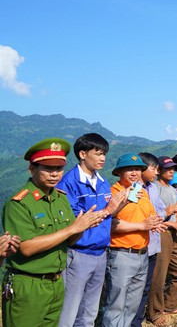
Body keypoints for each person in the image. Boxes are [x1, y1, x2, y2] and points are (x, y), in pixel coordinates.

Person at [2, 138, 104, 327]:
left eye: (59, 168)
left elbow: (71, 241)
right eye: (48, 168)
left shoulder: (60, 198)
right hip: (29, 284)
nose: (54, 174)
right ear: (32, 168)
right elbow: (26, 247)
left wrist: (82, 227)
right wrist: (72, 229)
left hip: (56, 282)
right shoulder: (19, 204)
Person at [57, 133, 129, 327]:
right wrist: (108, 210)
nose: (103, 158)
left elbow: (109, 216)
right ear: (82, 154)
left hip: (100, 253)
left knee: (89, 312)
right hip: (78, 252)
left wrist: (120, 206)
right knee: (69, 311)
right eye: (97, 154)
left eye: (104, 154)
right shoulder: (69, 183)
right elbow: (74, 222)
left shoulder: (103, 182)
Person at [102, 153, 166, 327]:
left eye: (138, 169)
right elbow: (110, 224)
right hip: (122, 254)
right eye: (129, 169)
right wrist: (142, 226)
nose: (134, 173)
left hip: (142, 254)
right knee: (115, 305)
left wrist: (155, 224)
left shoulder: (142, 193)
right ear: (119, 172)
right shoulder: (114, 192)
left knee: (131, 305)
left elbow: (148, 216)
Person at [147, 156, 177, 326]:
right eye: (168, 169)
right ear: (159, 171)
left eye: (173, 168)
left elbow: (176, 209)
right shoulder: (155, 188)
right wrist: (173, 222)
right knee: (160, 274)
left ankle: (170, 305)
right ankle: (154, 312)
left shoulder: (172, 189)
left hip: (173, 232)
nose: (171, 171)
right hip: (162, 232)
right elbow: (154, 216)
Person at [131, 153, 167, 327]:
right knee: (133, 290)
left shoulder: (152, 188)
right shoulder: (134, 189)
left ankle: (137, 322)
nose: (156, 172)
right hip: (138, 245)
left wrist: (158, 218)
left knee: (145, 288)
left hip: (152, 245)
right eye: (153, 168)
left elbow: (160, 210)